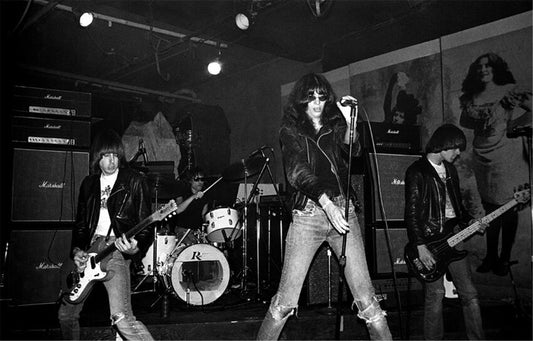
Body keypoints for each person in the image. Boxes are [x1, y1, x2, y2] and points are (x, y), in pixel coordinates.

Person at [257, 73, 392, 340]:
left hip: (344, 212)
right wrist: (326, 204)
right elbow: (297, 171)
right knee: (285, 302)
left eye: (321, 97)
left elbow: (352, 151)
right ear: (301, 100)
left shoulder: (334, 125)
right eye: (311, 98)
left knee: (368, 301)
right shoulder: (290, 129)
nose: (317, 103)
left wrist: (349, 119)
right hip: (309, 215)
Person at [58, 129, 154, 340]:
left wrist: (136, 247)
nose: (112, 161)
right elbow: (81, 224)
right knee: (66, 314)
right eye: (106, 156)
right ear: (97, 157)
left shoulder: (135, 181)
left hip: (116, 250)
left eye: (116, 156)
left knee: (121, 317)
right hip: (90, 249)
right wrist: (77, 251)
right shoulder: (88, 184)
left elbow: (147, 225)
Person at [404, 124, 487, 340]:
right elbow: (411, 213)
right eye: (456, 148)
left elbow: (458, 207)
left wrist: (472, 221)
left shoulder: (450, 170)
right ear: (443, 145)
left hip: (454, 236)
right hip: (430, 242)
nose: (458, 153)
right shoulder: (417, 171)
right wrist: (420, 246)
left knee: (470, 295)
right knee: (436, 295)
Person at [459, 52, 531, 276]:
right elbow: (464, 120)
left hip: (506, 154)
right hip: (482, 155)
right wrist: (484, 119)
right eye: (479, 67)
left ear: (495, 68)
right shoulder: (473, 95)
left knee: (508, 207)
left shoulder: (509, 89)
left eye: (487, 66)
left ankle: (504, 258)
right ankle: (491, 256)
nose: (483, 70)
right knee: (491, 206)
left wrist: (514, 125)